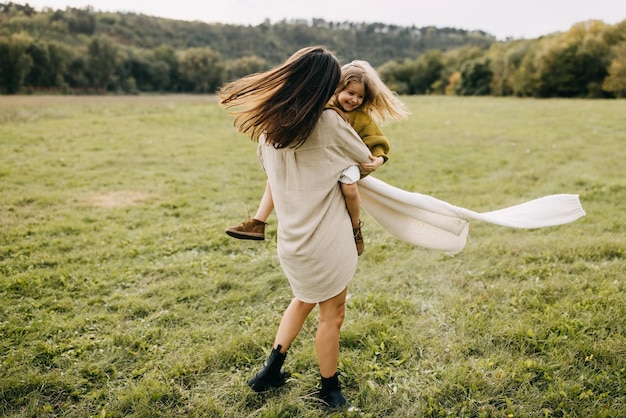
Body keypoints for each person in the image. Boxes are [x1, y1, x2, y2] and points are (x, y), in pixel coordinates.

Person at [218, 46, 372, 411]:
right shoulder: (331, 123)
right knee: (332, 313)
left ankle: (270, 371)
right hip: (326, 239)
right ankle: (329, 389)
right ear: (324, 86)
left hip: (291, 242)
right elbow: (364, 160)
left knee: (303, 298)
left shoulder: (268, 130)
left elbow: (274, 179)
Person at [225, 60, 409, 256]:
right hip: (322, 160)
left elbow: (377, 140)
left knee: (349, 187)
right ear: (337, 89)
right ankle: (258, 222)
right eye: (351, 93)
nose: (354, 100)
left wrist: (379, 159)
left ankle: (355, 228)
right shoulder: (323, 107)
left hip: (347, 162)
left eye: (361, 97)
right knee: (275, 177)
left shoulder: (361, 118)